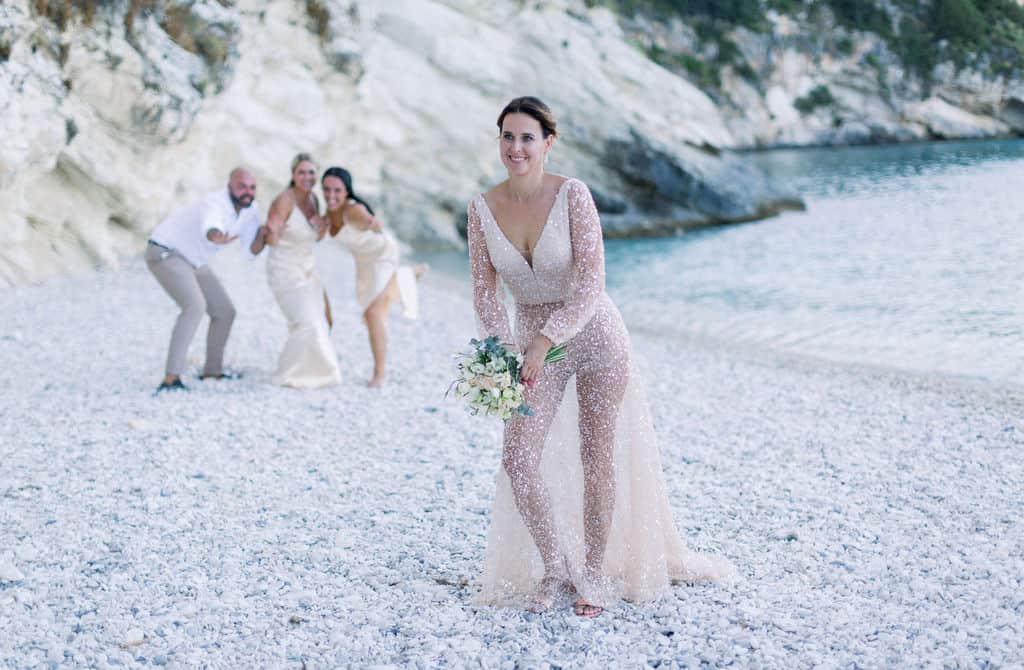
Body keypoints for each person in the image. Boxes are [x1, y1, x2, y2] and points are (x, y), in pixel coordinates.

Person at [467, 97, 730, 616]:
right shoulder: (481, 208)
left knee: (597, 455)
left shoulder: (573, 195)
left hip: (593, 337)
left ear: (548, 143)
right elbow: (484, 291)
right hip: (529, 346)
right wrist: (501, 352)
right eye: (507, 136)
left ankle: (591, 569)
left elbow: (591, 281)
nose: (516, 148)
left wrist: (546, 339)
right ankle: (555, 566)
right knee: (518, 460)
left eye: (527, 138)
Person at [145, 167, 260, 393]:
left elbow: (252, 248)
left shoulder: (250, 209)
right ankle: (171, 378)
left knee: (225, 311)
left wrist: (268, 235)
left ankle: (212, 371)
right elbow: (211, 224)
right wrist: (215, 234)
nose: (247, 192)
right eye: (242, 186)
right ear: (229, 186)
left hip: (193, 259)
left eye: (252, 187)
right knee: (194, 306)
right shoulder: (215, 202)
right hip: (165, 252)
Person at [322, 167, 426, 387]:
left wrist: (373, 223)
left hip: (382, 255)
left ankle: (379, 375)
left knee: (372, 313)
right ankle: (407, 275)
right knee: (372, 309)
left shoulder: (353, 210)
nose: (331, 195)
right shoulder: (329, 213)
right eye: (327, 189)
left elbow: (370, 222)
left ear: (347, 191)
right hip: (364, 261)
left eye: (337, 190)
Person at [251, 153, 341, 388]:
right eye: (301, 172)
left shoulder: (314, 200)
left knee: (320, 320)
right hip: (284, 271)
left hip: (307, 269)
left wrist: (324, 225)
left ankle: (311, 371)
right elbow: (272, 240)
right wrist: (273, 231)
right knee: (306, 322)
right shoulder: (284, 200)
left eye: (311, 172)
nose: (307, 177)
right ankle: (289, 374)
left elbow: (315, 238)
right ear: (293, 174)